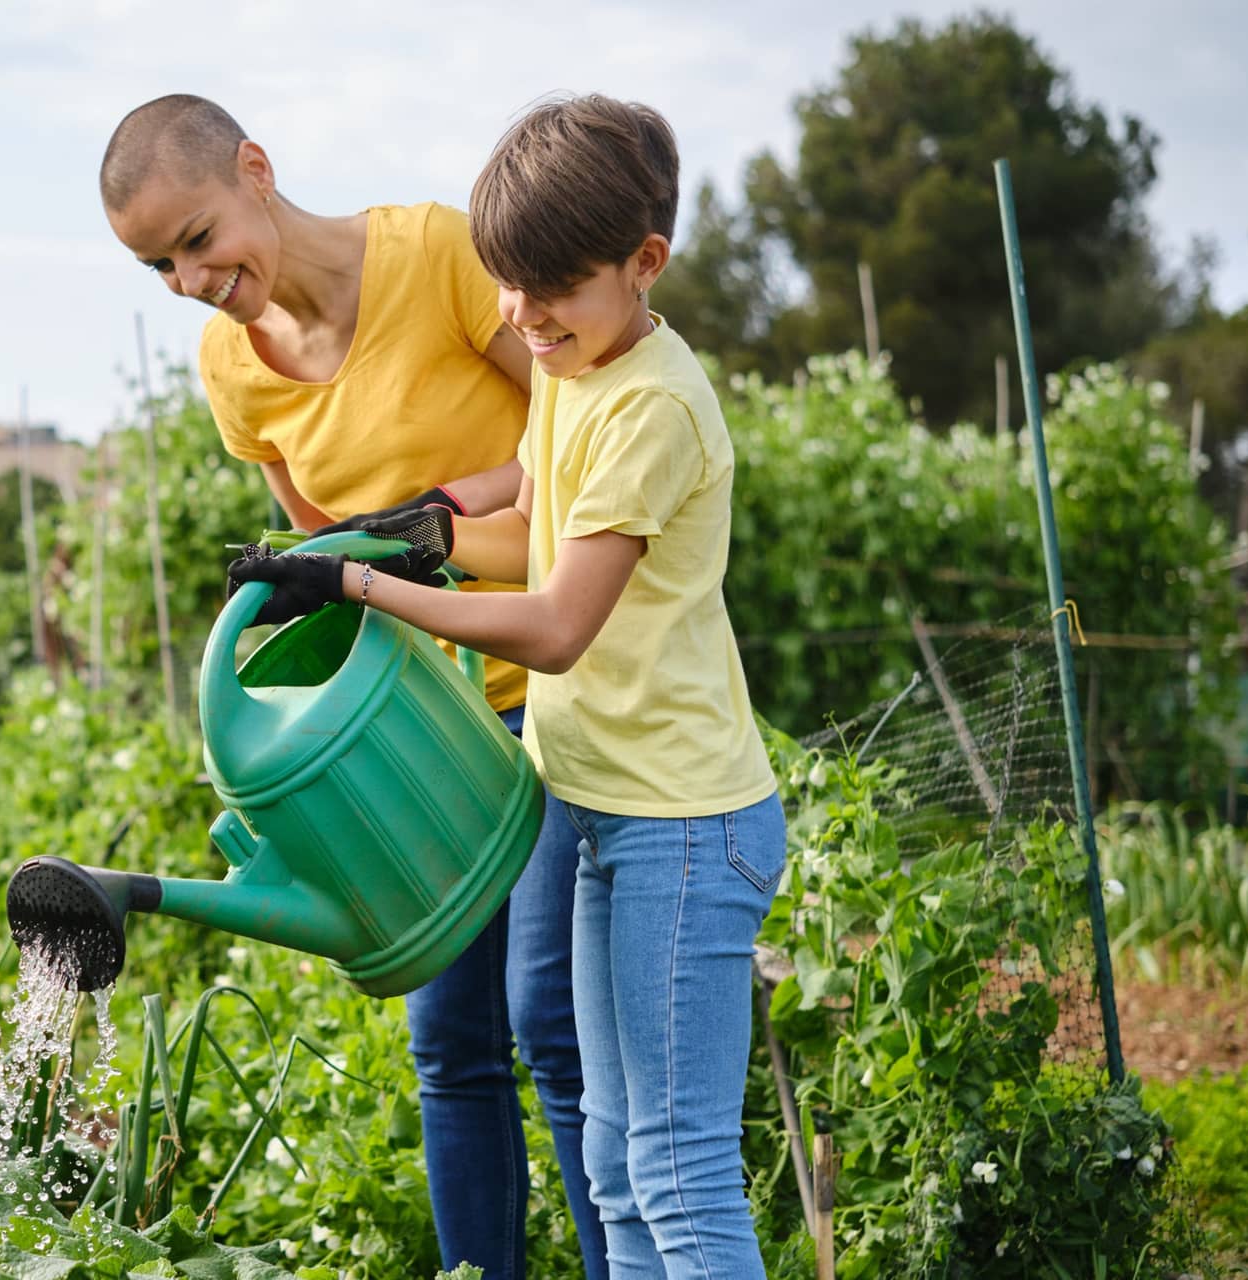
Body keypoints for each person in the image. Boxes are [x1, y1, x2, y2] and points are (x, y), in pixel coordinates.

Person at [228, 94, 785, 1280]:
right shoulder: (576, 371)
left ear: (644, 265)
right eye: (505, 288)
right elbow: (527, 528)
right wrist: (400, 538)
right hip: (596, 802)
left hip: (683, 826)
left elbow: (553, 622)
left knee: (678, 1172)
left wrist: (360, 586)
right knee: (618, 1161)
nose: (520, 318)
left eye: (551, 289)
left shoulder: (648, 403)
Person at [102, 95, 609, 1280]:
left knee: (548, 1024)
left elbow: (586, 424)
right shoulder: (233, 371)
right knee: (449, 1044)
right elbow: (329, 566)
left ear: (255, 168)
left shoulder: (436, 255)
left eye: (194, 236)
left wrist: (445, 509)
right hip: (417, 728)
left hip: (541, 675)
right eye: (155, 264)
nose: (187, 277)